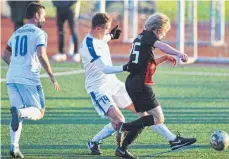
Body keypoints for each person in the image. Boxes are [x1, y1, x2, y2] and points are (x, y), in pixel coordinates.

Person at [115, 12, 197, 159]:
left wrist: (165, 58)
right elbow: (163, 46)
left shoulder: (140, 38)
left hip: (132, 82)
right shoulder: (149, 36)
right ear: (158, 29)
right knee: (158, 118)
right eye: (164, 32)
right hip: (140, 85)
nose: (163, 35)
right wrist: (179, 54)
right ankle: (124, 127)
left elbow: (145, 64)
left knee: (143, 120)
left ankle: (122, 149)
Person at [1, 2, 60, 158]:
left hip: (12, 78)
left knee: (19, 113)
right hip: (28, 79)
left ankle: (14, 147)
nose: (44, 19)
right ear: (36, 15)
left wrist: (16, 66)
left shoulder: (16, 32)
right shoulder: (39, 33)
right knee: (39, 112)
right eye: (43, 16)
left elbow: (5, 56)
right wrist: (52, 76)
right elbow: (41, 55)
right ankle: (19, 113)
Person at [79, 12, 138, 158]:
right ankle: (94, 142)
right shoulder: (88, 45)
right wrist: (124, 67)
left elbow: (104, 39)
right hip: (98, 88)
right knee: (119, 120)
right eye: (107, 29)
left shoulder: (100, 37)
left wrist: (111, 36)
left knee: (141, 110)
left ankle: (172, 139)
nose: (108, 31)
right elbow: (104, 68)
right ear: (98, 29)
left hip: (113, 83)